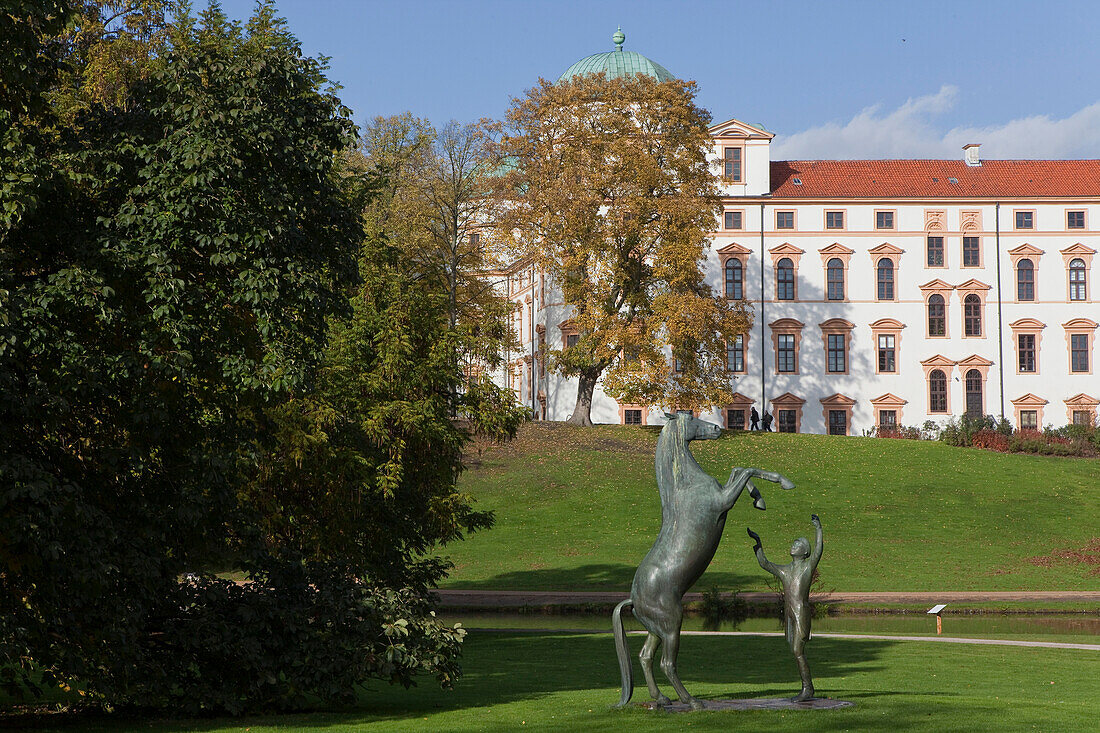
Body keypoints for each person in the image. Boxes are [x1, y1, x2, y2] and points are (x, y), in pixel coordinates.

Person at [746, 515, 823, 702]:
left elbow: (818, 551)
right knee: (795, 650)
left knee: (798, 650)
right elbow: (765, 564)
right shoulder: (785, 571)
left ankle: (808, 689)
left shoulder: (806, 567)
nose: (794, 545)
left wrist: (818, 529)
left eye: (798, 544)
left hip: (801, 614)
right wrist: (758, 544)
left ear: (805, 552)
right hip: (789, 614)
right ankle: (807, 688)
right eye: (794, 543)